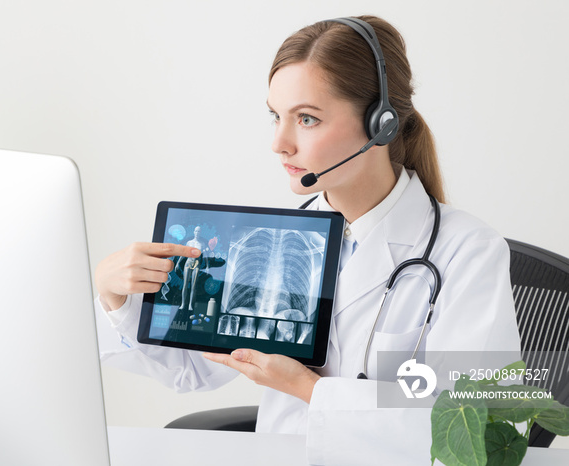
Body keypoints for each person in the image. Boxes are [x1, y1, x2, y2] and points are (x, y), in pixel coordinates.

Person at [94, 15, 521, 464]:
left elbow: (476, 428)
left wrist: (309, 389)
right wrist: (115, 295)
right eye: (276, 116)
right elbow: (192, 371)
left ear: (381, 124)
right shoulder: (278, 235)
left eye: (307, 119)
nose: (280, 143)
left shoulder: (467, 251)